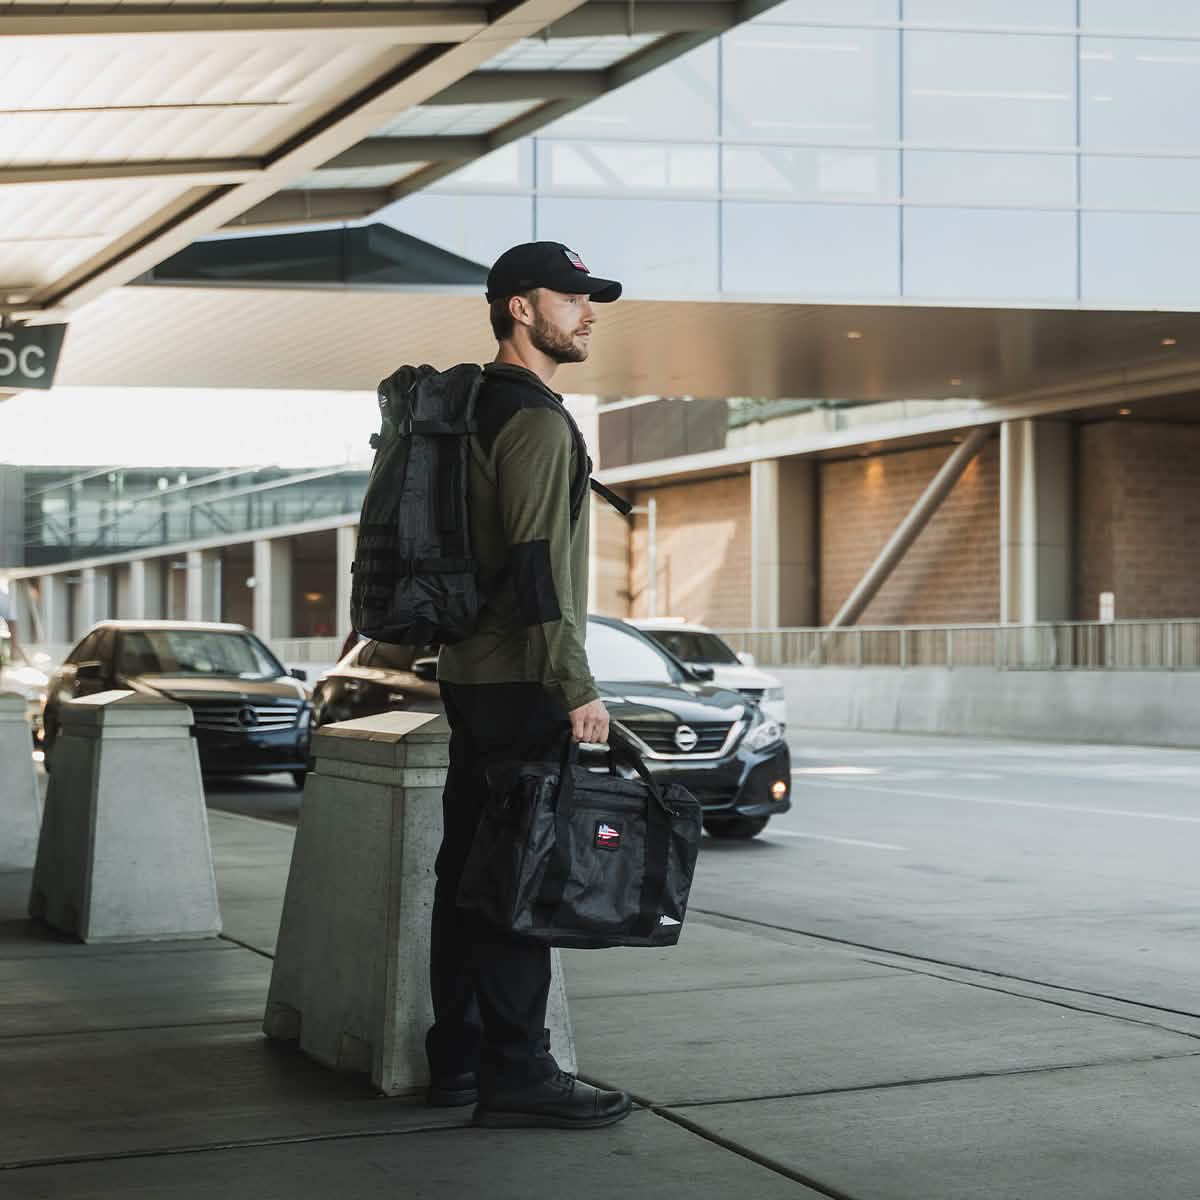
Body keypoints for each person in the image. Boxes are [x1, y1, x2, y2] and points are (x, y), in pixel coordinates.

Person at [429, 243, 633, 1130]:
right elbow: (537, 569)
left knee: (466, 873)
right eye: (572, 298)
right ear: (521, 308)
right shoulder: (537, 422)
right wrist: (576, 687)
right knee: (520, 878)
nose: (589, 313)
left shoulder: (471, 405)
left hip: (472, 673)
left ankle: (458, 1059)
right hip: (524, 680)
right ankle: (519, 1074)